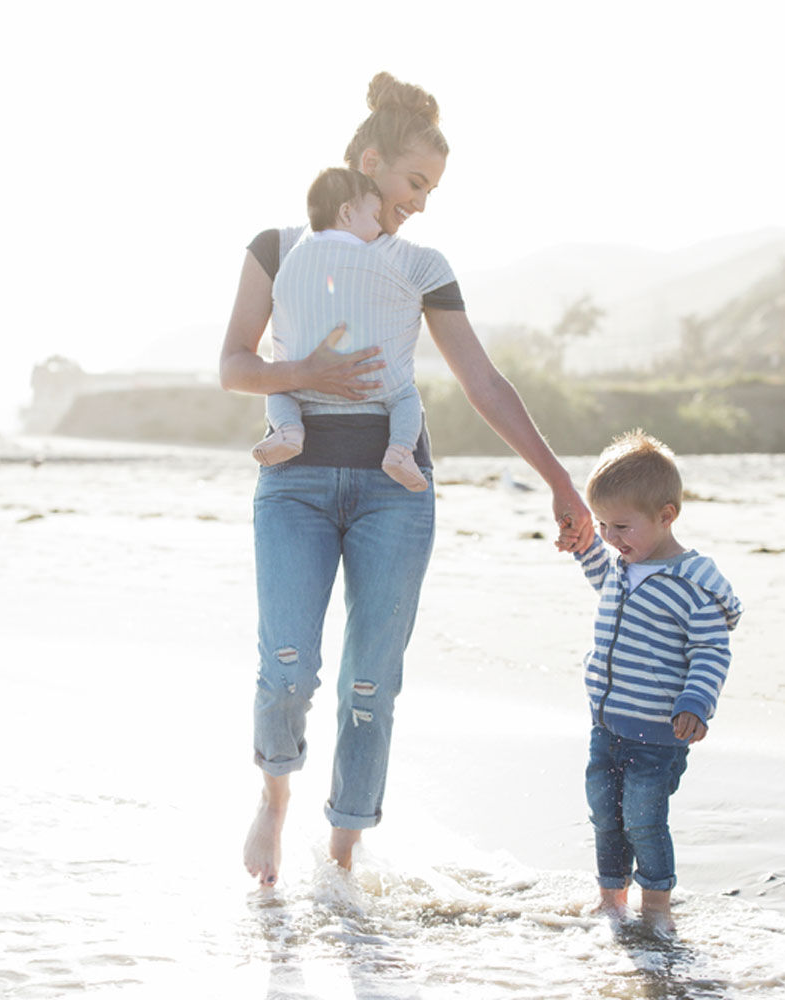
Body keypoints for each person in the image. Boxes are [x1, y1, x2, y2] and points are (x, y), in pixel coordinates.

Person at [220, 72, 593, 888]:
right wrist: (308, 368)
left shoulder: (422, 264)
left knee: (369, 682)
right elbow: (233, 365)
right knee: (287, 666)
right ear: (368, 162)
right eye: (414, 181)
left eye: (432, 188)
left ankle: (344, 859)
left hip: (397, 491)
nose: (422, 201)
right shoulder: (277, 247)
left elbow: (484, 384)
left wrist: (561, 483)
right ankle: (275, 796)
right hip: (296, 486)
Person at [566, 429, 742, 934]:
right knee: (604, 812)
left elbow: (711, 649)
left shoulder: (691, 584)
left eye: (621, 526)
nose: (611, 539)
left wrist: (696, 701)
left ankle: (658, 908)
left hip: (658, 732)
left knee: (644, 817)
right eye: (601, 525)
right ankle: (611, 900)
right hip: (607, 723)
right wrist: (582, 544)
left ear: (667, 516)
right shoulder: (624, 566)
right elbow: (600, 571)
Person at [252, 167, 430, 493]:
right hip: (370, 375)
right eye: (375, 216)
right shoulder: (373, 257)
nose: (380, 227)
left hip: (302, 378)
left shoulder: (291, 258)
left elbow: (284, 306)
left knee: (277, 387)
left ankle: (289, 432)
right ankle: (400, 453)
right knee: (407, 397)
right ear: (347, 213)